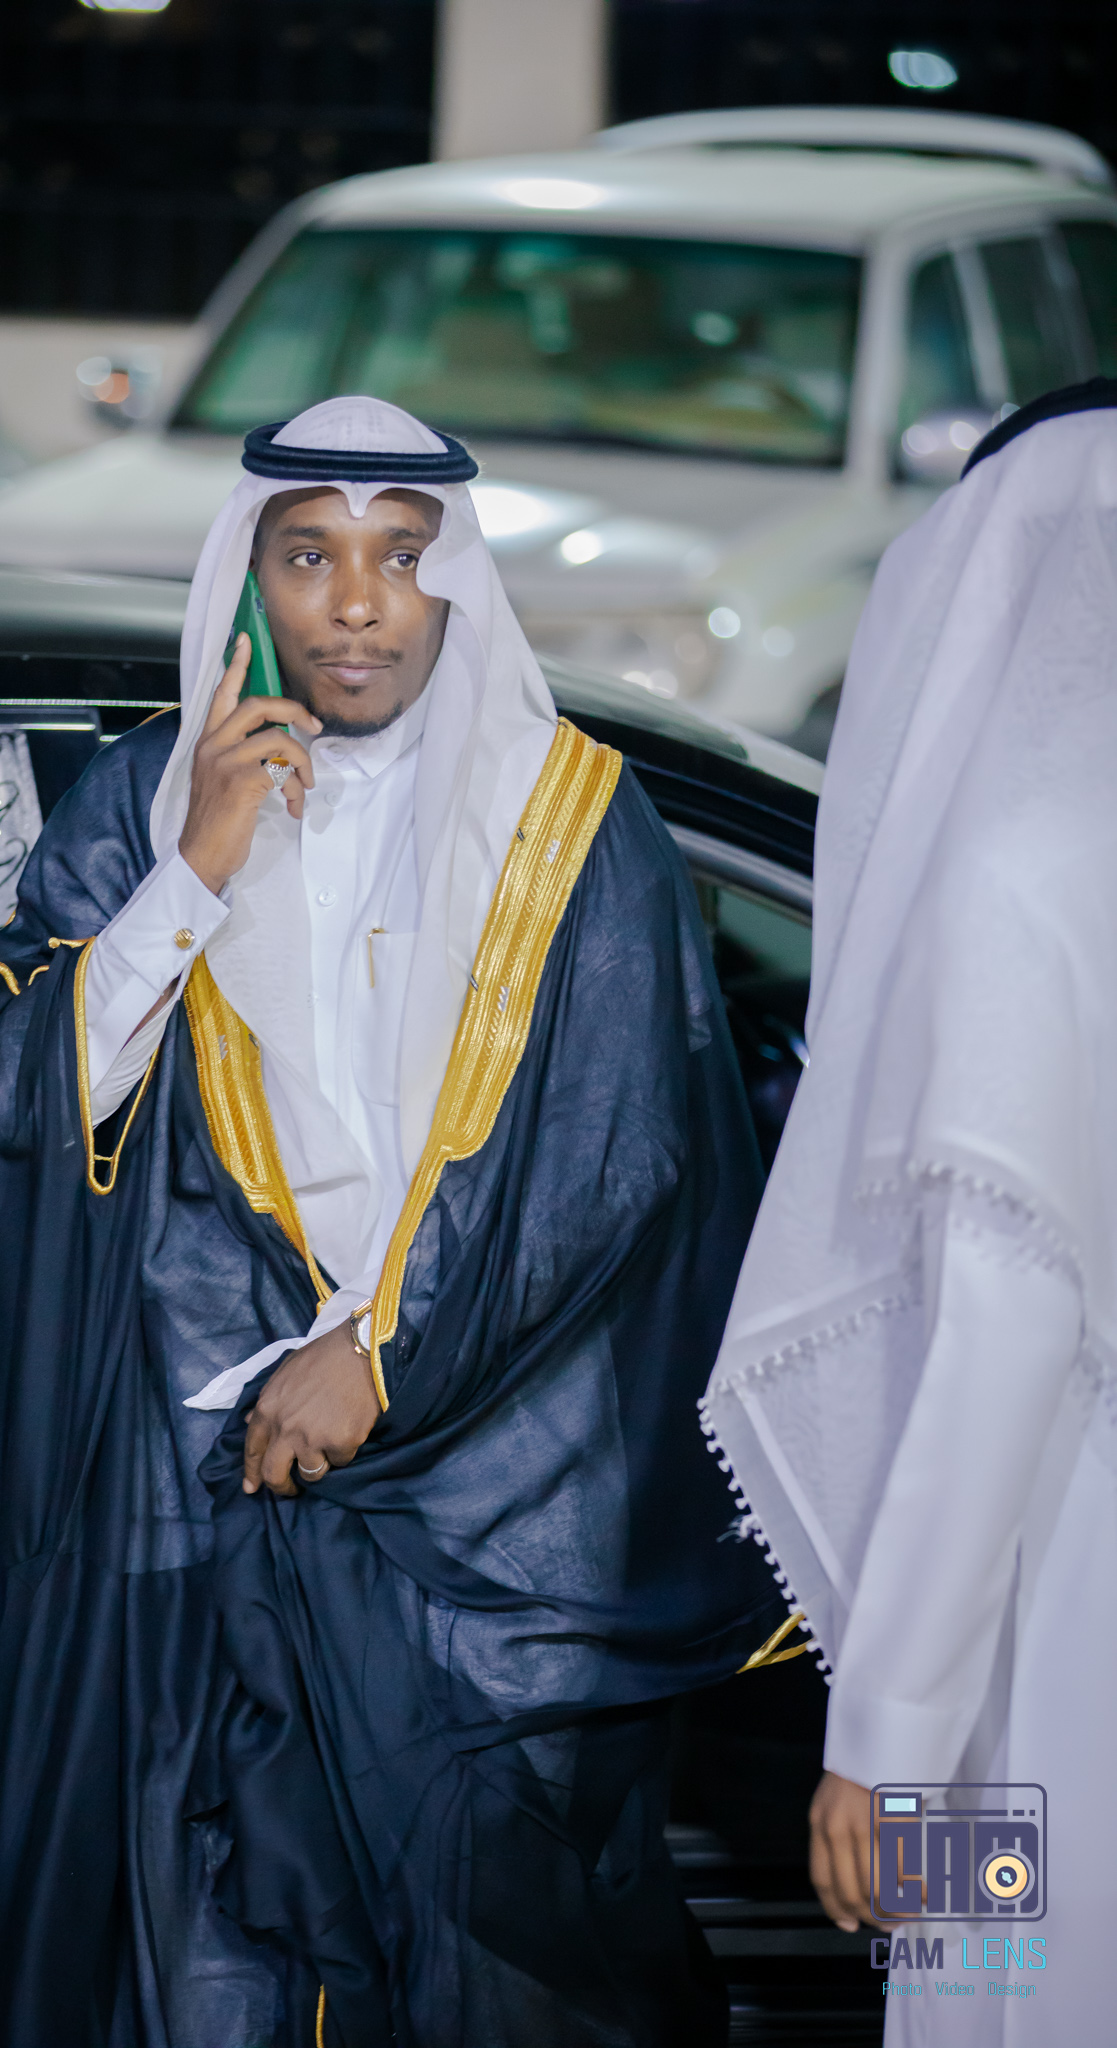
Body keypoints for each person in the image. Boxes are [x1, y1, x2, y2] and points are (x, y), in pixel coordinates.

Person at [0, 396, 785, 2048]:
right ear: (247, 577)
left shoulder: (570, 820)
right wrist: (194, 870)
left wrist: (375, 1355)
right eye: (308, 555)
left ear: (454, 580)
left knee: (491, 1976)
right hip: (196, 1508)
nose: (354, 604)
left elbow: (612, 1160)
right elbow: (12, 1089)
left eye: (400, 558)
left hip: (484, 1524)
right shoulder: (142, 802)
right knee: (210, 1969)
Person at [702, 383, 1117, 2041]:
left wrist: (883, 1742)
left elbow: (1005, 1328)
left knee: (986, 1985)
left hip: (1040, 1612)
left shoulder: (1016, 874)